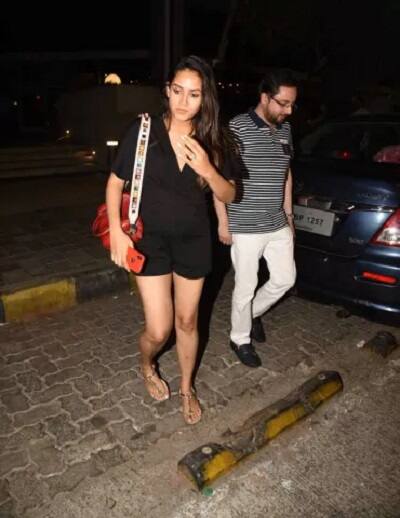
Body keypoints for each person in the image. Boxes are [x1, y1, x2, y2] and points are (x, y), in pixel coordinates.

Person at [105, 56, 235, 424]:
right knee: (159, 329)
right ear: (167, 90)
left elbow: (229, 194)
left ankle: (187, 387)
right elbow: (115, 183)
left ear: (205, 98)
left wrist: (208, 169)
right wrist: (117, 231)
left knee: (188, 322)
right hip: (151, 241)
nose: (183, 101)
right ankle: (146, 363)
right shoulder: (143, 130)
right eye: (177, 91)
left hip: (194, 240)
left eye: (193, 94)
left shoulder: (213, 140)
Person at [214, 68, 297, 368]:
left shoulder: (285, 130)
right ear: (264, 98)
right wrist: (223, 222)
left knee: (285, 279)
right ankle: (239, 338)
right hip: (245, 225)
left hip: (277, 222)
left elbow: (286, 174)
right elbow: (220, 179)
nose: (288, 111)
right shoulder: (237, 128)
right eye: (283, 103)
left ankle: (250, 316)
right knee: (245, 287)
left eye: (292, 104)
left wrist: (289, 216)